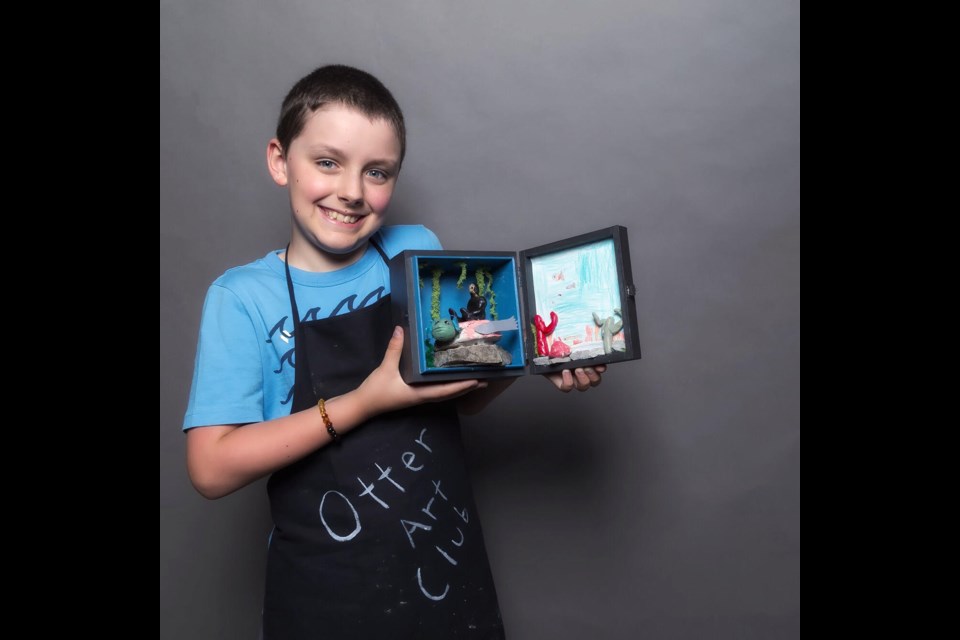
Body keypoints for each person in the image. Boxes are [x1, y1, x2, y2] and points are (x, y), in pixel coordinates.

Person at [183, 64, 605, 640]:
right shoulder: (241, 297)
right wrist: (365, 402)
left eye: (376, 172)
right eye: (327, 162)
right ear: (281, 161)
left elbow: (460, 396)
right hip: (327, 593)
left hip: (446, 567)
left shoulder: (416, 249)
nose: (352, 192)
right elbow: (211, 468)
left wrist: (534, 355)